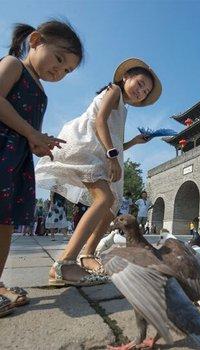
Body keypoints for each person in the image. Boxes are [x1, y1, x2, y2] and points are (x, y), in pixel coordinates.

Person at [35, 58, 162, 285]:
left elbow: (113, 140)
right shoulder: (113, 90)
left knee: (111, 208)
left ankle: (87, 255)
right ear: (126, 78)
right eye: (140, 83)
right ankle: (64, 263)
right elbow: (99, 121)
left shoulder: (123, 107)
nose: (142, 91)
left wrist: (132, 142)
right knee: (104, 199)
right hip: (88, 146)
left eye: (146, 90)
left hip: (102, 151)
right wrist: (113, 156)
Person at [0, 20, 83, 317]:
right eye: (59, 60)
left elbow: (27, 130)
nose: (59, 72)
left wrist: (39, 141)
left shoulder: (43, 93)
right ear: (35, 40)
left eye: (66, 71)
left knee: (5, 222)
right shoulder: (12, 65)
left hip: (16, 159)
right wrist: (31, 133)